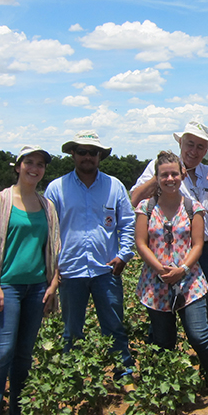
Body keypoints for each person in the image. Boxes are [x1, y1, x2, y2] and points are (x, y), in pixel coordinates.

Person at [133, 151, 208, 409]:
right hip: (155, 283)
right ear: (157, 177)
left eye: (174, 174)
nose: (170, 179)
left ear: (182, 175)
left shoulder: (193, 208)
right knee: (163, 340)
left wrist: (182, 269)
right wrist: (160, 269)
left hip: (190, 281)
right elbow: (141, 243)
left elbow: (198, 244)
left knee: (200, 336)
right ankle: (164, 388)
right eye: (164, 174)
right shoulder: (145, 208)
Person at [0, 146, 60, 415]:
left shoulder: (46, 206)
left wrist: (53, 284)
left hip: (36, 288)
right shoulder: (0, 201)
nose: (34, 168)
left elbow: (54, 247)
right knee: (1, 351)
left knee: (24, 353)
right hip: (6, 287)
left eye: (40, 164)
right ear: (18, 166)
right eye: (29, 163)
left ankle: (18, 410)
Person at [44, 130, 135, 381]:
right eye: (82, 151)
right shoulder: (56, 188)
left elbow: (127, 223)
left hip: (106, 269)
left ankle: (123, 373)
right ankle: (73, 378)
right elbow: (47, 230)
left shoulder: (114, 186)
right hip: (69, 270)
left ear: (100, 156)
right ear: (73, 154)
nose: (87, 157)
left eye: (93, 152)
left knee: (114, 326)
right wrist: (52, 268)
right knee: (72, 329)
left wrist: (124, 255)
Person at [130, 120, 208, 330]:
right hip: (163, 255)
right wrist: (164, 176)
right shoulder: (159, 166)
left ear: (206, 150)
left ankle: (200, 346)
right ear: (181, 143)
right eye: (190, 144)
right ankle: (164, 347)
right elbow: (135, 199)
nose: (194, 151)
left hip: (201, 253)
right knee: (162, 316)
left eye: (200, 146)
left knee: (201, 318)